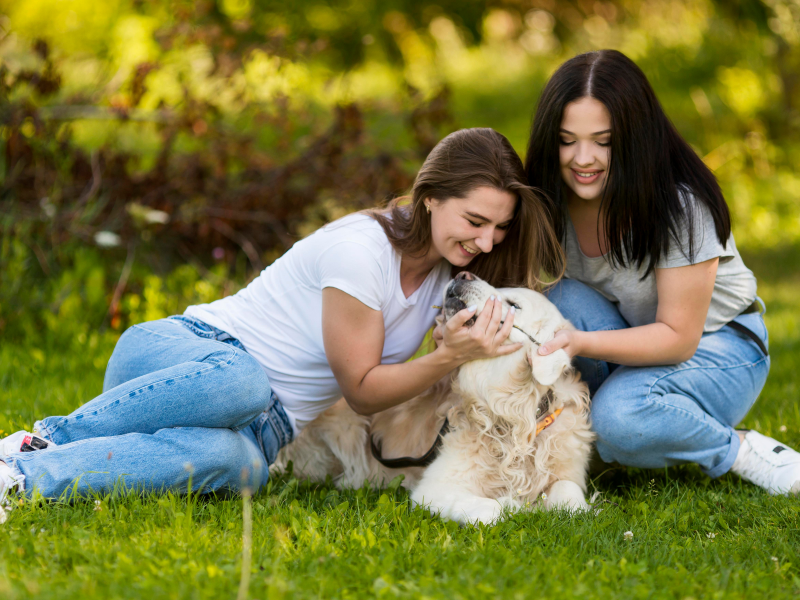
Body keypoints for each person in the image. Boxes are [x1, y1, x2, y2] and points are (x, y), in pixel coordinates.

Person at [0, 127, 564, 501]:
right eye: (475, 221)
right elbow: (364, 391)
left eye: (500, 228)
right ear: (431, 197)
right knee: (245, 380)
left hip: (257, 428)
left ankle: (21, 480)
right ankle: (46, 438)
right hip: (181, 359)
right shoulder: (361, 252)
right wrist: (447, 359)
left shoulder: (448, 279)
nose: (487, 242)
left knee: (240, 467)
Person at [526, 50, 800, 495]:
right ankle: (600, 436)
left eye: (603, 140)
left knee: (618, 418)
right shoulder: (550, 202)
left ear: (634, 137)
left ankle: (740, 449)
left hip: (721, 349)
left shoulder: (680, 207)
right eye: (566, 139)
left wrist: (580, 342)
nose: (583, 158)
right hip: (633, 342)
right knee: (558, 297)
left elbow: (677, 337)